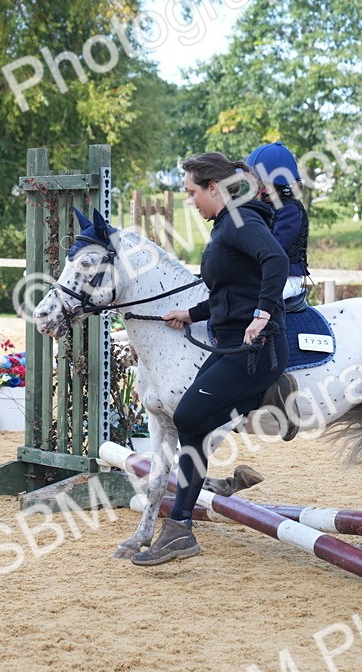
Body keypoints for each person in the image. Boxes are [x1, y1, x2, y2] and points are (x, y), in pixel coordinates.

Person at [132, 152, 289, 567]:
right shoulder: (225, 223)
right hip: (231, 345)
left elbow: (276, 260)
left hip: (256, 350)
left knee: (188, 416)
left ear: (214, 188)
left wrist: (263, 314)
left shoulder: (240, 220)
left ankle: (180, 525)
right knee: (194, 422)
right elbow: (229, 292)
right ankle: (180, 528)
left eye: (191, 192)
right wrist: (191, 314)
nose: (190, 201)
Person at [246, 141, 309, 300]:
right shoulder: (264, 206)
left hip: (287, 278)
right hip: (266, 276)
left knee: (250, 302)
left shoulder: (290, 210)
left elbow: (274, 248)